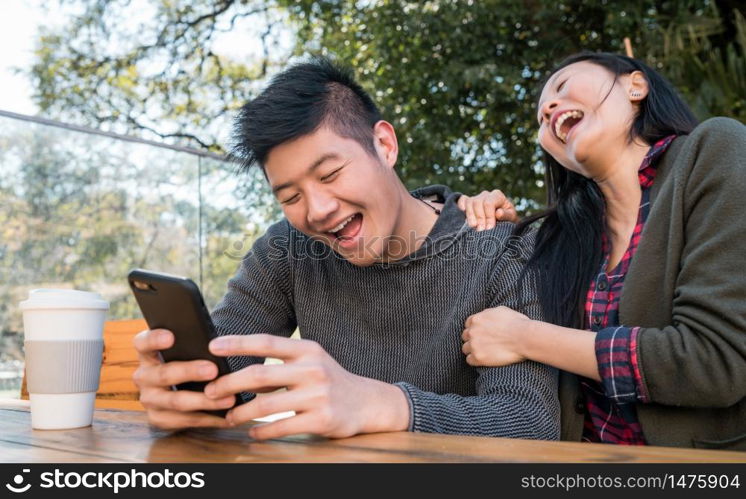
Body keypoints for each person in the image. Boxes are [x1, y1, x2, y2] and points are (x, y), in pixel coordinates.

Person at [132, 56, 559, 441]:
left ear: (385, 146)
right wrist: (183, 393)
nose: (317, 211)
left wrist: (384, 404)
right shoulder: (287, 249)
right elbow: (229, 369)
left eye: (330, 173)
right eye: (290, 196)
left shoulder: (504, 249)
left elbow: (529, 422)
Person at [459, 52, 746, 449]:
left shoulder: (714, 150)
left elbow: (714, 361)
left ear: (635, 86)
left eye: (562, 87)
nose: (549, 110)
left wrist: (527, 337)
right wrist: (495, 231)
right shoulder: (561, 241)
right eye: (541, 118)